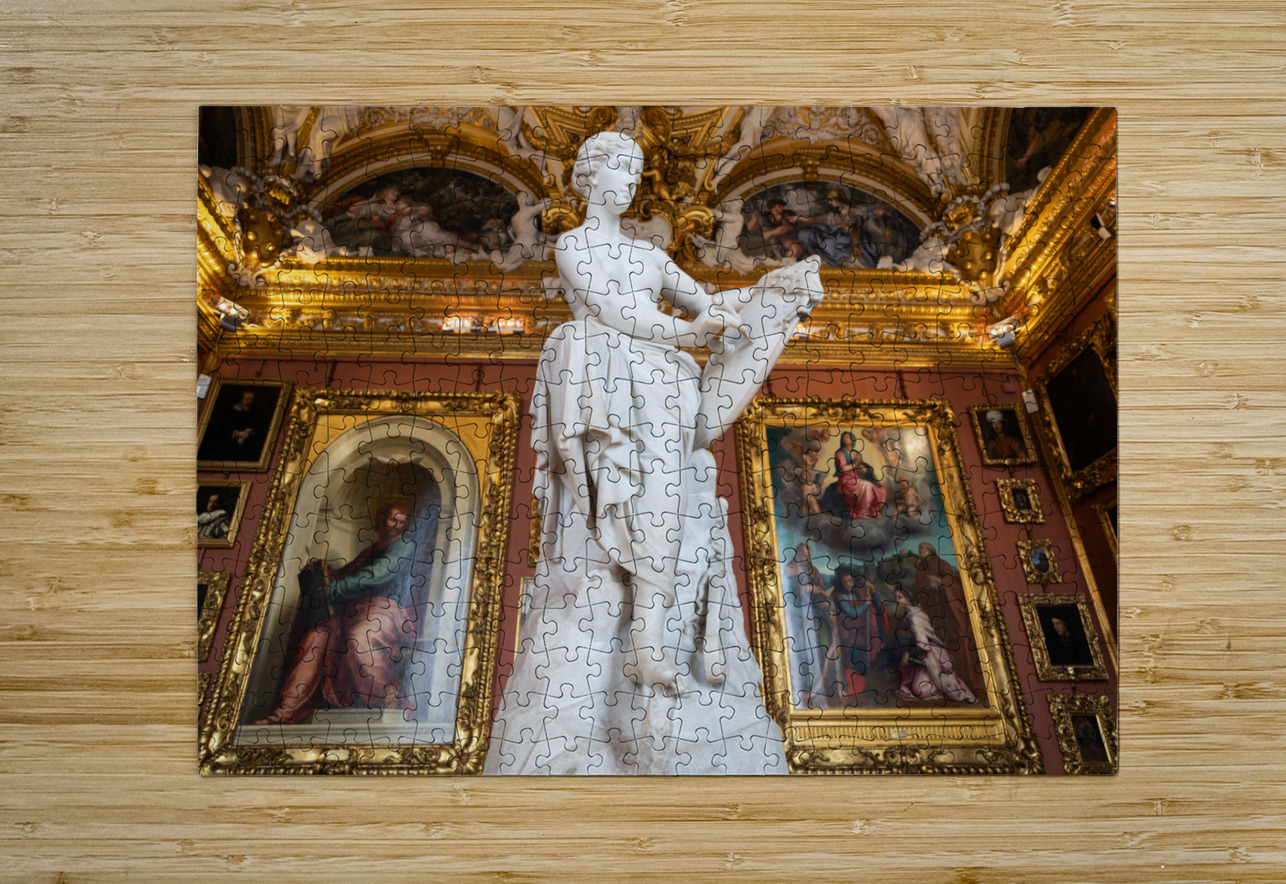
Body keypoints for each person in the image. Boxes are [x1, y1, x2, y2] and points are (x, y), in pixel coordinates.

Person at [254, 499, 420, 725]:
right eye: (393, 518)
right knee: (315, 638)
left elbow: (377, 575)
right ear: (379, 519)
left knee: (358, 640)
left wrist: (332, 588)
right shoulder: (368, 551)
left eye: (401, 521)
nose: (396, 525)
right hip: (351, 611)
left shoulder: (405, 546)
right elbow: (348, 574)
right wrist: (322, 572)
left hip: (386, 611)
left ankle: (386, 697)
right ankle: (286, 711)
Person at [887, 586, 976, 704]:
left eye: (900, 597)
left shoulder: (914, 617)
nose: (897, 600)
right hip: (924, 655)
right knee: (918, 687)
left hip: (931, 655)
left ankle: (949, 690)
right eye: (896, 597)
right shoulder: (913, 612)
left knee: (920, 691)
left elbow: (923, 643)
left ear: (907, 597)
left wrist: (908, 653)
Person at [831, 431, 887, 519]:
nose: (845, 439)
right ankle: (861, 512)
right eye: (844, 437)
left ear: (852, 440)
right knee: (866, 486)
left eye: (847, 437)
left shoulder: (857, 454)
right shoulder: (839, 453)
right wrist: (855, 464)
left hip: (857, 477)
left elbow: (861, 468)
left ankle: (869, 510)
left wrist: (864, 469)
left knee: (872, 486)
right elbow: (843, 469)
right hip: (846, 480)